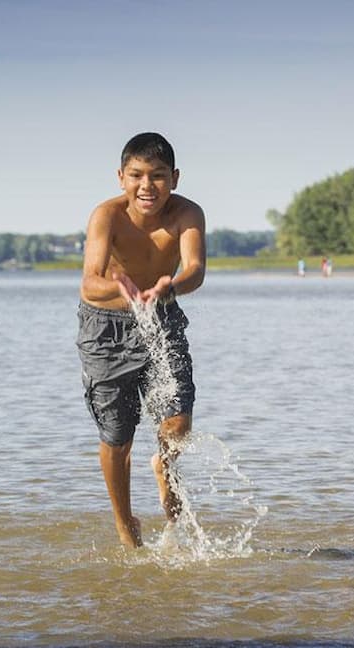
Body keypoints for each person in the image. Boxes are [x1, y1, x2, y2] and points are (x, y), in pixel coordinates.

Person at [76, 131, 206, 548]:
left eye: (158, 176)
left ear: (175, 177)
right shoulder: (107, 216)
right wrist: (123, 293)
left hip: (162, 317)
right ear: (120, 176)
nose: (147, 186)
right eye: (136, 175)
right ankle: (124, 523)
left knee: (178, 421)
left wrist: (169, 286)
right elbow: (89, 283)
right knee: (118, 437)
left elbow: (196, 269)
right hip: (106, 330)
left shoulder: (188, 214)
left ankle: (166, 468)